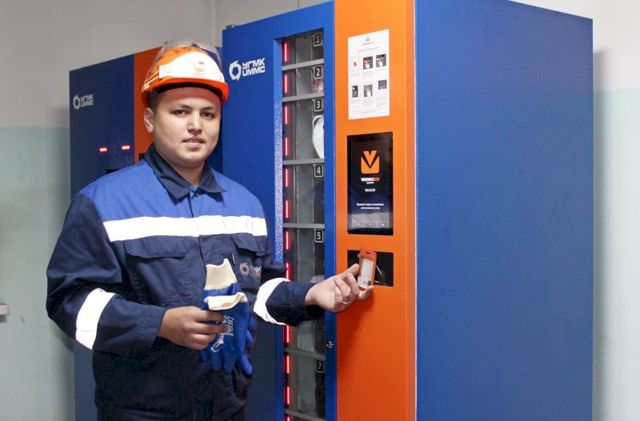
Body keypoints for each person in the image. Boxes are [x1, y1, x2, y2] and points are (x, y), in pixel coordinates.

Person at [46, 39, 372, 421]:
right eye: (180, 111)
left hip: (225, 409)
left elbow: (258, 292)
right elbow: (69, 303)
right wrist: (160, 325)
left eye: (208, 114)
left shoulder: (244, 204)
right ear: (150, 119)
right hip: (142, 413)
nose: (196, 125)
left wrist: (311, 294)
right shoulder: (103, 202)